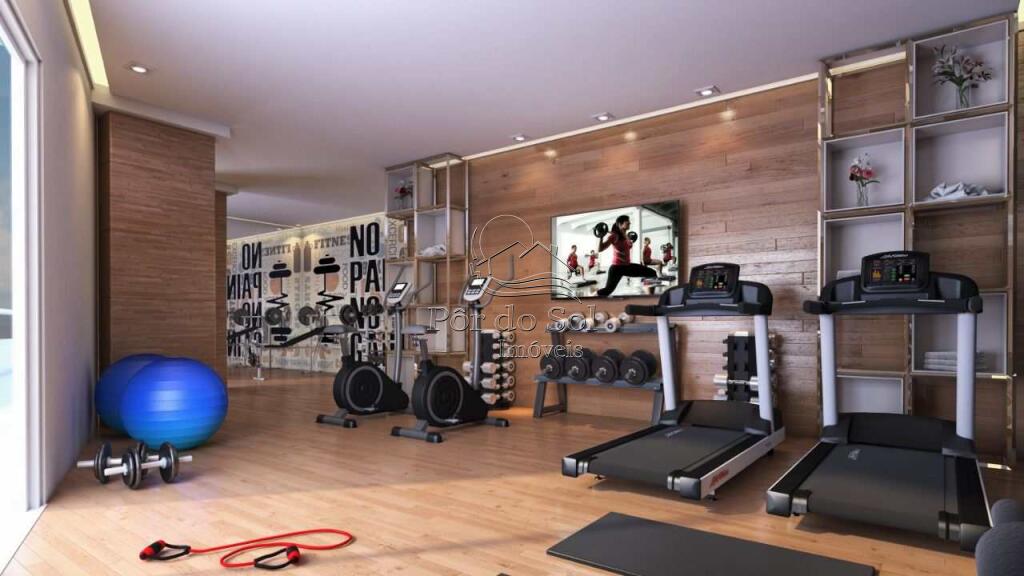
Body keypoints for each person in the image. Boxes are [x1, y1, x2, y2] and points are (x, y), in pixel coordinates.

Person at [596, 215, 656, 296]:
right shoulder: (614, 236)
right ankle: (593, 295)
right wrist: (601, 237)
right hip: (617, 268)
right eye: (627, 222)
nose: (630, 223)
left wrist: (631, 242)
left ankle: (649, 295)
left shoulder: (626, 236)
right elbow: (600, 249)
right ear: (620, 224)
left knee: (652, 273)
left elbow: (627, 247)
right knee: (607, 290)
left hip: (627, 266)